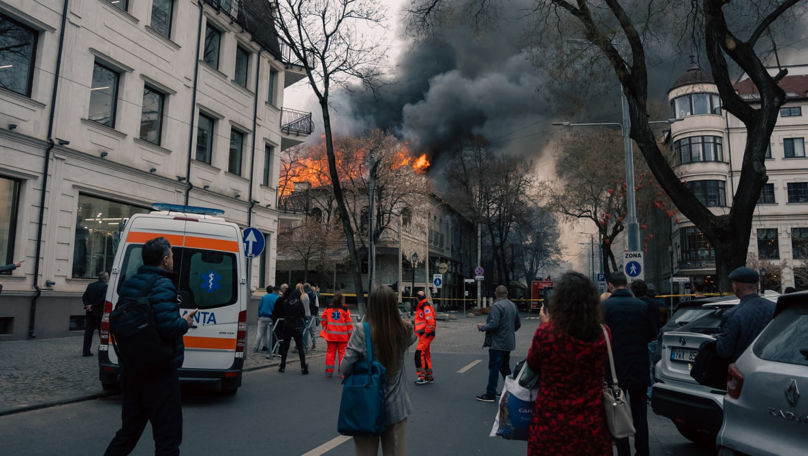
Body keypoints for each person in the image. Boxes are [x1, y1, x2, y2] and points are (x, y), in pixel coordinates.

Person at [104, 237, 196, 456]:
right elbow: (168, 328)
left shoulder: (131, 283)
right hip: (160, 372)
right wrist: (185, 322)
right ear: (165, 260)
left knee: (128, 431)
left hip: (132, 368)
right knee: (168, 438)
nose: (173, 259)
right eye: (172, 256)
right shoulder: (163, 284)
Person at [526, 271, 611, 455]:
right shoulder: (604, 334)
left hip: (550, 426)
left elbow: (531, 368)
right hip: (591, 428)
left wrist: (546, 324)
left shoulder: (545, 334)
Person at [341, 285, 416, 456]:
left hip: (367, 406)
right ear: (393, 306)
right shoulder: (404, 330)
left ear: (371, 304)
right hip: (396, 408)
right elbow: (414, 336)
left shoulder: (362, 330)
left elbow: (344, 367)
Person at [602, 272, 657, 456]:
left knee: (617, 411)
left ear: (610, 285)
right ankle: (643, 451)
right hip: (639, 366)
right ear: (626, 284)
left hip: (615, 369)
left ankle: (623, 451)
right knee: (640, 413)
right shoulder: (642, 306)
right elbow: (652, 334)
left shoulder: (605, 307)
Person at [715, 267, 776, 362]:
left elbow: (724, 351)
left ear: (735, 286)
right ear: (756, 285)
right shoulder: (775, 307)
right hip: (770, 363)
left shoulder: (732, 314)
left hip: (743, 368)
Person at [475, 284, 521, 402]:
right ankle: (510, 391)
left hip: (498, 343)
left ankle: (490, 394)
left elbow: (494, 324)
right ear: (506, 294)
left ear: (496, 293)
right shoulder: (512, 305)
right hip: (508, 342)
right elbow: (518, 324)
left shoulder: (496, 306)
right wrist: (509, 331)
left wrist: (482, 327)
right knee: (505, 368)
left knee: (494, 368)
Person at [630, 279, 660, 399]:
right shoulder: (654, 303)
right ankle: (652, 390)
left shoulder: (635, 305)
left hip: (642, 339)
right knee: (652, 366)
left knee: (646, 367)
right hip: (654, 337)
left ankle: (649, 392)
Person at [275, 284, 308, 374]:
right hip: (297, 327)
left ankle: (282, 366)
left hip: (287, 326)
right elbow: (303, 314)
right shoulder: (299, 303)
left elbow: (284, 313)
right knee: (300, 348)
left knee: (285, 348)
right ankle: (303, 367)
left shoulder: (286, 302)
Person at [320, 291, 353, 378]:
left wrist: (326, 327)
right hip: (343, 336)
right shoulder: (345, 309)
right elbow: (349, 325)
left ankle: (328, 372)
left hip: (330, 336)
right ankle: (341, 373)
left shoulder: (328, 308)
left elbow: (323, 319)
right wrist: (350, 336)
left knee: (330, 353)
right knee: (342, 354)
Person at [82, 272, 109, 356]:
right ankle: (104, 351)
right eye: (108, 277)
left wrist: (87, 305)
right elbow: (102, 299)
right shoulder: (105, 286)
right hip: (99, 313)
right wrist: (93, 306)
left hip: (90, 312)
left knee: (88, 333)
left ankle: (86, 351)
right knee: (102, 333)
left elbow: (84, 296)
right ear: (105, 278)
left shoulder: (90, 285)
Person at [412, 290, 436, 385]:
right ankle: (428, 376)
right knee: (425, 355)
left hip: (426, 334)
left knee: (419, 354)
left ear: (417, 298)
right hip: (426, 334)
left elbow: (430, 322)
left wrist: (426, 333)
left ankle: (422, 376)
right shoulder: (423, 305)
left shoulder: (424, 306)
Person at [255, 285, 278, 353]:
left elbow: (259, 307)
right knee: (269, 334)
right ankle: (268, 348)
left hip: (262, 317)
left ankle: (256, 347)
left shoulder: (264, 297)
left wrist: (259, 315)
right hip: (271, 318)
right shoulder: (276, 297)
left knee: (260, 333)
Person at [304, 282, 319, 350]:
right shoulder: (314, 294)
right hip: (312, 314)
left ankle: (303, 345)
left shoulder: (302, 294)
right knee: (312, 331)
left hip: (303, 314)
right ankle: (314, 345)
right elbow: (316, 306)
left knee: (303, 330)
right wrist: (315, 314)